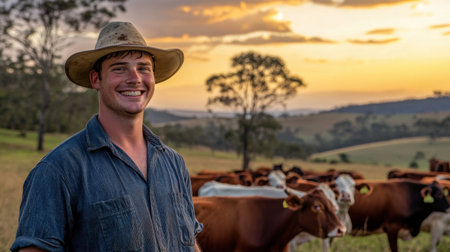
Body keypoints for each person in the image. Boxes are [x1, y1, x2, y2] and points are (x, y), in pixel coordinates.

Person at [11, 21, 203, 252]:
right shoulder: (58, 170)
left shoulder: (174, 163)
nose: (134, 78)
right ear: (96, 79)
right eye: (119, 68)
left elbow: (189, 243)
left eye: (143, 68)